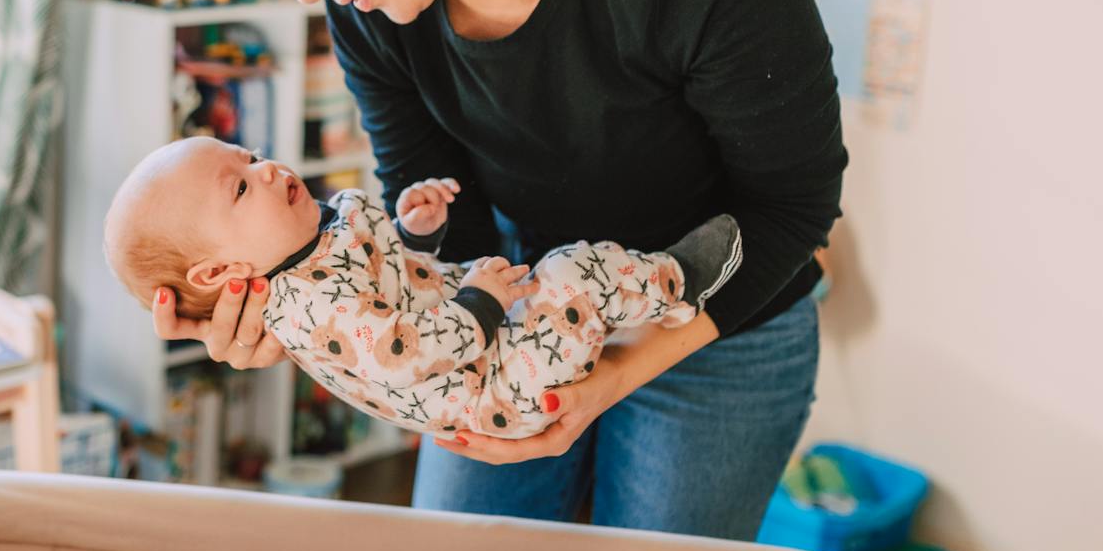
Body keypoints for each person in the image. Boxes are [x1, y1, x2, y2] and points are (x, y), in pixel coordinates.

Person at [151, 0, 846, 540]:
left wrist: (610, 374)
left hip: (718, 322)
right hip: (515, 298)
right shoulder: (369, 10)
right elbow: (434, 198)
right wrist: (300, 296)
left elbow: (794, 206)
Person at [104, 136, 742, 439]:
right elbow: (399, 352)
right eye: (240, 187)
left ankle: (651, 295)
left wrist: (417, 234)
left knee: (568, 279)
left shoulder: (313, 244)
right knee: (574, 272)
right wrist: (481, 302)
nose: (266, 169)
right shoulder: (308, 305)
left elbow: (393, 291)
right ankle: (679, 281)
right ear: (220, 274)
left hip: (484, 344)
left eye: (245, 155)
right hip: (493, 386)